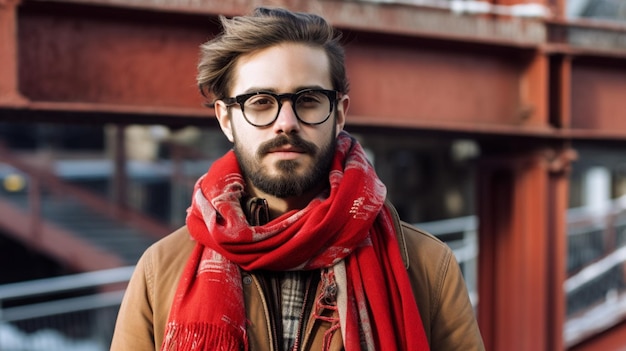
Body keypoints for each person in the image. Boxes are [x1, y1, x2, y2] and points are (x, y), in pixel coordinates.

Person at [111, 6, 485, 351]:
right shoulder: (160, 272)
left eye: (308, 100)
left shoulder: (426, 267)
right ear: (226, 119)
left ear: (339, 113)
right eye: (260, 102)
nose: (286, 122)